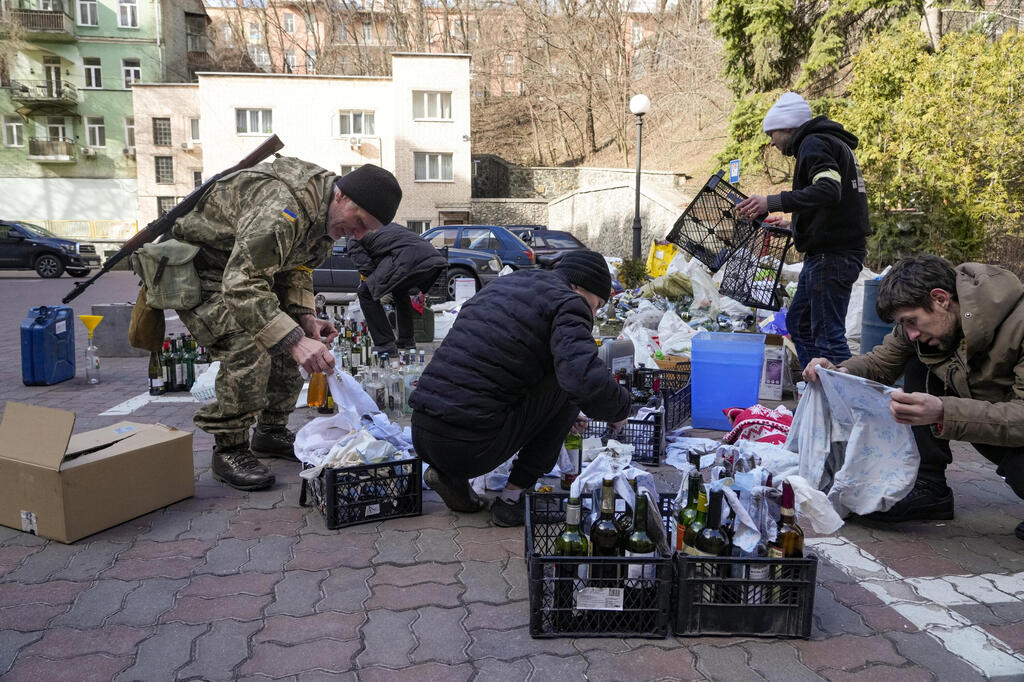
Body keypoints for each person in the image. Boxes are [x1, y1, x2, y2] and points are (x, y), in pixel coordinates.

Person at [170, 159, 402, 491]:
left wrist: (305, 319)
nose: (359, 234)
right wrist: (295, 340)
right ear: (342, 197)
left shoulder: (324, 217)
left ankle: (270, 431)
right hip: (203, 273)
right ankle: (229, 449)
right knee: (250, 341)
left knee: (289, 331)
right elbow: (240, 285)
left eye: (369, 229)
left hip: (243, 274)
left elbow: (295, 270)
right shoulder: (283, 206)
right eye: (360, 222)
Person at [803, 254, 1024, 540]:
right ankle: (929, 487)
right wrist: (837, 371)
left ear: (941, 298)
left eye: (912, 321)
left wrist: (944, 411)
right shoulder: (927, 325)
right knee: (920, 357)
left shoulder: (1019, 324)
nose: (911, 332)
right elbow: (881, 363)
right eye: (903, 325)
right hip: (997, 428)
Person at [408, 249, 631, 526]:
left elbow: (501, 364)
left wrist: (554, 417)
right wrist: (620, 408)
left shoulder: (502, 285)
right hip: (470, 445)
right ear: (578, 286)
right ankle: (512, 500)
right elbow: (582, 379)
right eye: (596, 304)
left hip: (423, 432)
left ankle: (449, 477)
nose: (594, 314)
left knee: (561, 381)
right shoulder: (569, 302)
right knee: (569, 383)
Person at [737, 91, 871, 368]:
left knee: (827, 336)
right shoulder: (829, 143)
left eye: (772, 133)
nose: (771, 142)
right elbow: (832, 202)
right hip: (831, 251)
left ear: (787, 126)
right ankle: (818, 389)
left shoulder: (813, 143)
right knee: (800, 323)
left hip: (831, 256)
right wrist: (795, 224)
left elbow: (827, 189)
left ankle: (840, 401)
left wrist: (770, 202)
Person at [347, 222, 447, 356]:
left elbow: (366, 268)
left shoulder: (354, 238)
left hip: (405, 257)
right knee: (399, 290)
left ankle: (385, 343)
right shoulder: (383, 223)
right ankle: (406, 339)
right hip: (431, 257)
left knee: (365, 292)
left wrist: (373, 284)